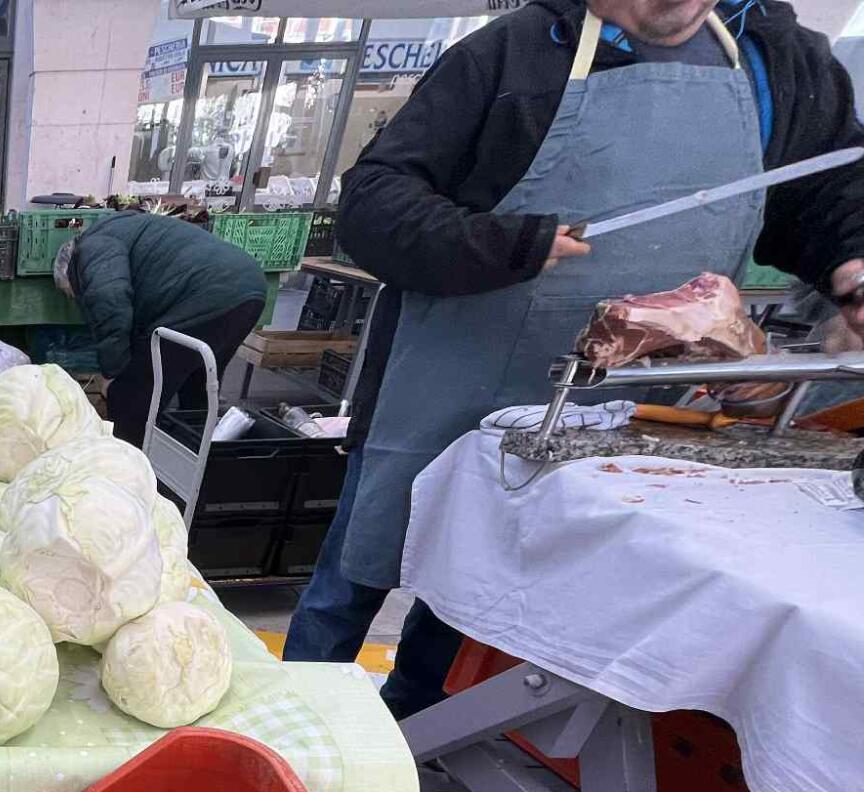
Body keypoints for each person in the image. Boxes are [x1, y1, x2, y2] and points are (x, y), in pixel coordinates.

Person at [282, 0, 864, 718]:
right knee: (357, 567)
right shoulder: (514, 55)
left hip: (630, 406)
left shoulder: (779, 61)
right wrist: (504, 244)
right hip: (452, 377)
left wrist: (850, 265)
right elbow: (372, 205)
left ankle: (417, 724)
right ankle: (293, 723)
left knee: (485, 585)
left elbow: (830, 194)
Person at [53, 214, 266, 447]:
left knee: (131, 397)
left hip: (205, 292)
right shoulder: (119, 228)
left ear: (71, 270)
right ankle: (193, 465)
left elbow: (110, 303)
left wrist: (112, 374)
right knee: (197, 388)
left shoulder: (92, 249)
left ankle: (126, 471)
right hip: (249, 287)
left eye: (73, 293)